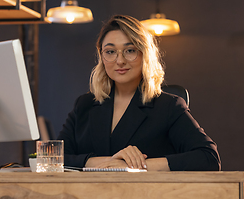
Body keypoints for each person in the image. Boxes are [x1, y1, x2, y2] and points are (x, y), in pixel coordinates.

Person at [57, 15, 221, 171]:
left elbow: (209, 158)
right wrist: (100, 162)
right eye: (110, 52)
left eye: (130, 50)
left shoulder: (169, 107)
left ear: (145, 55)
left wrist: (140, 166)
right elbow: (53, 158)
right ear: (102, 57)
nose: (120, 60)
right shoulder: (84, 104)